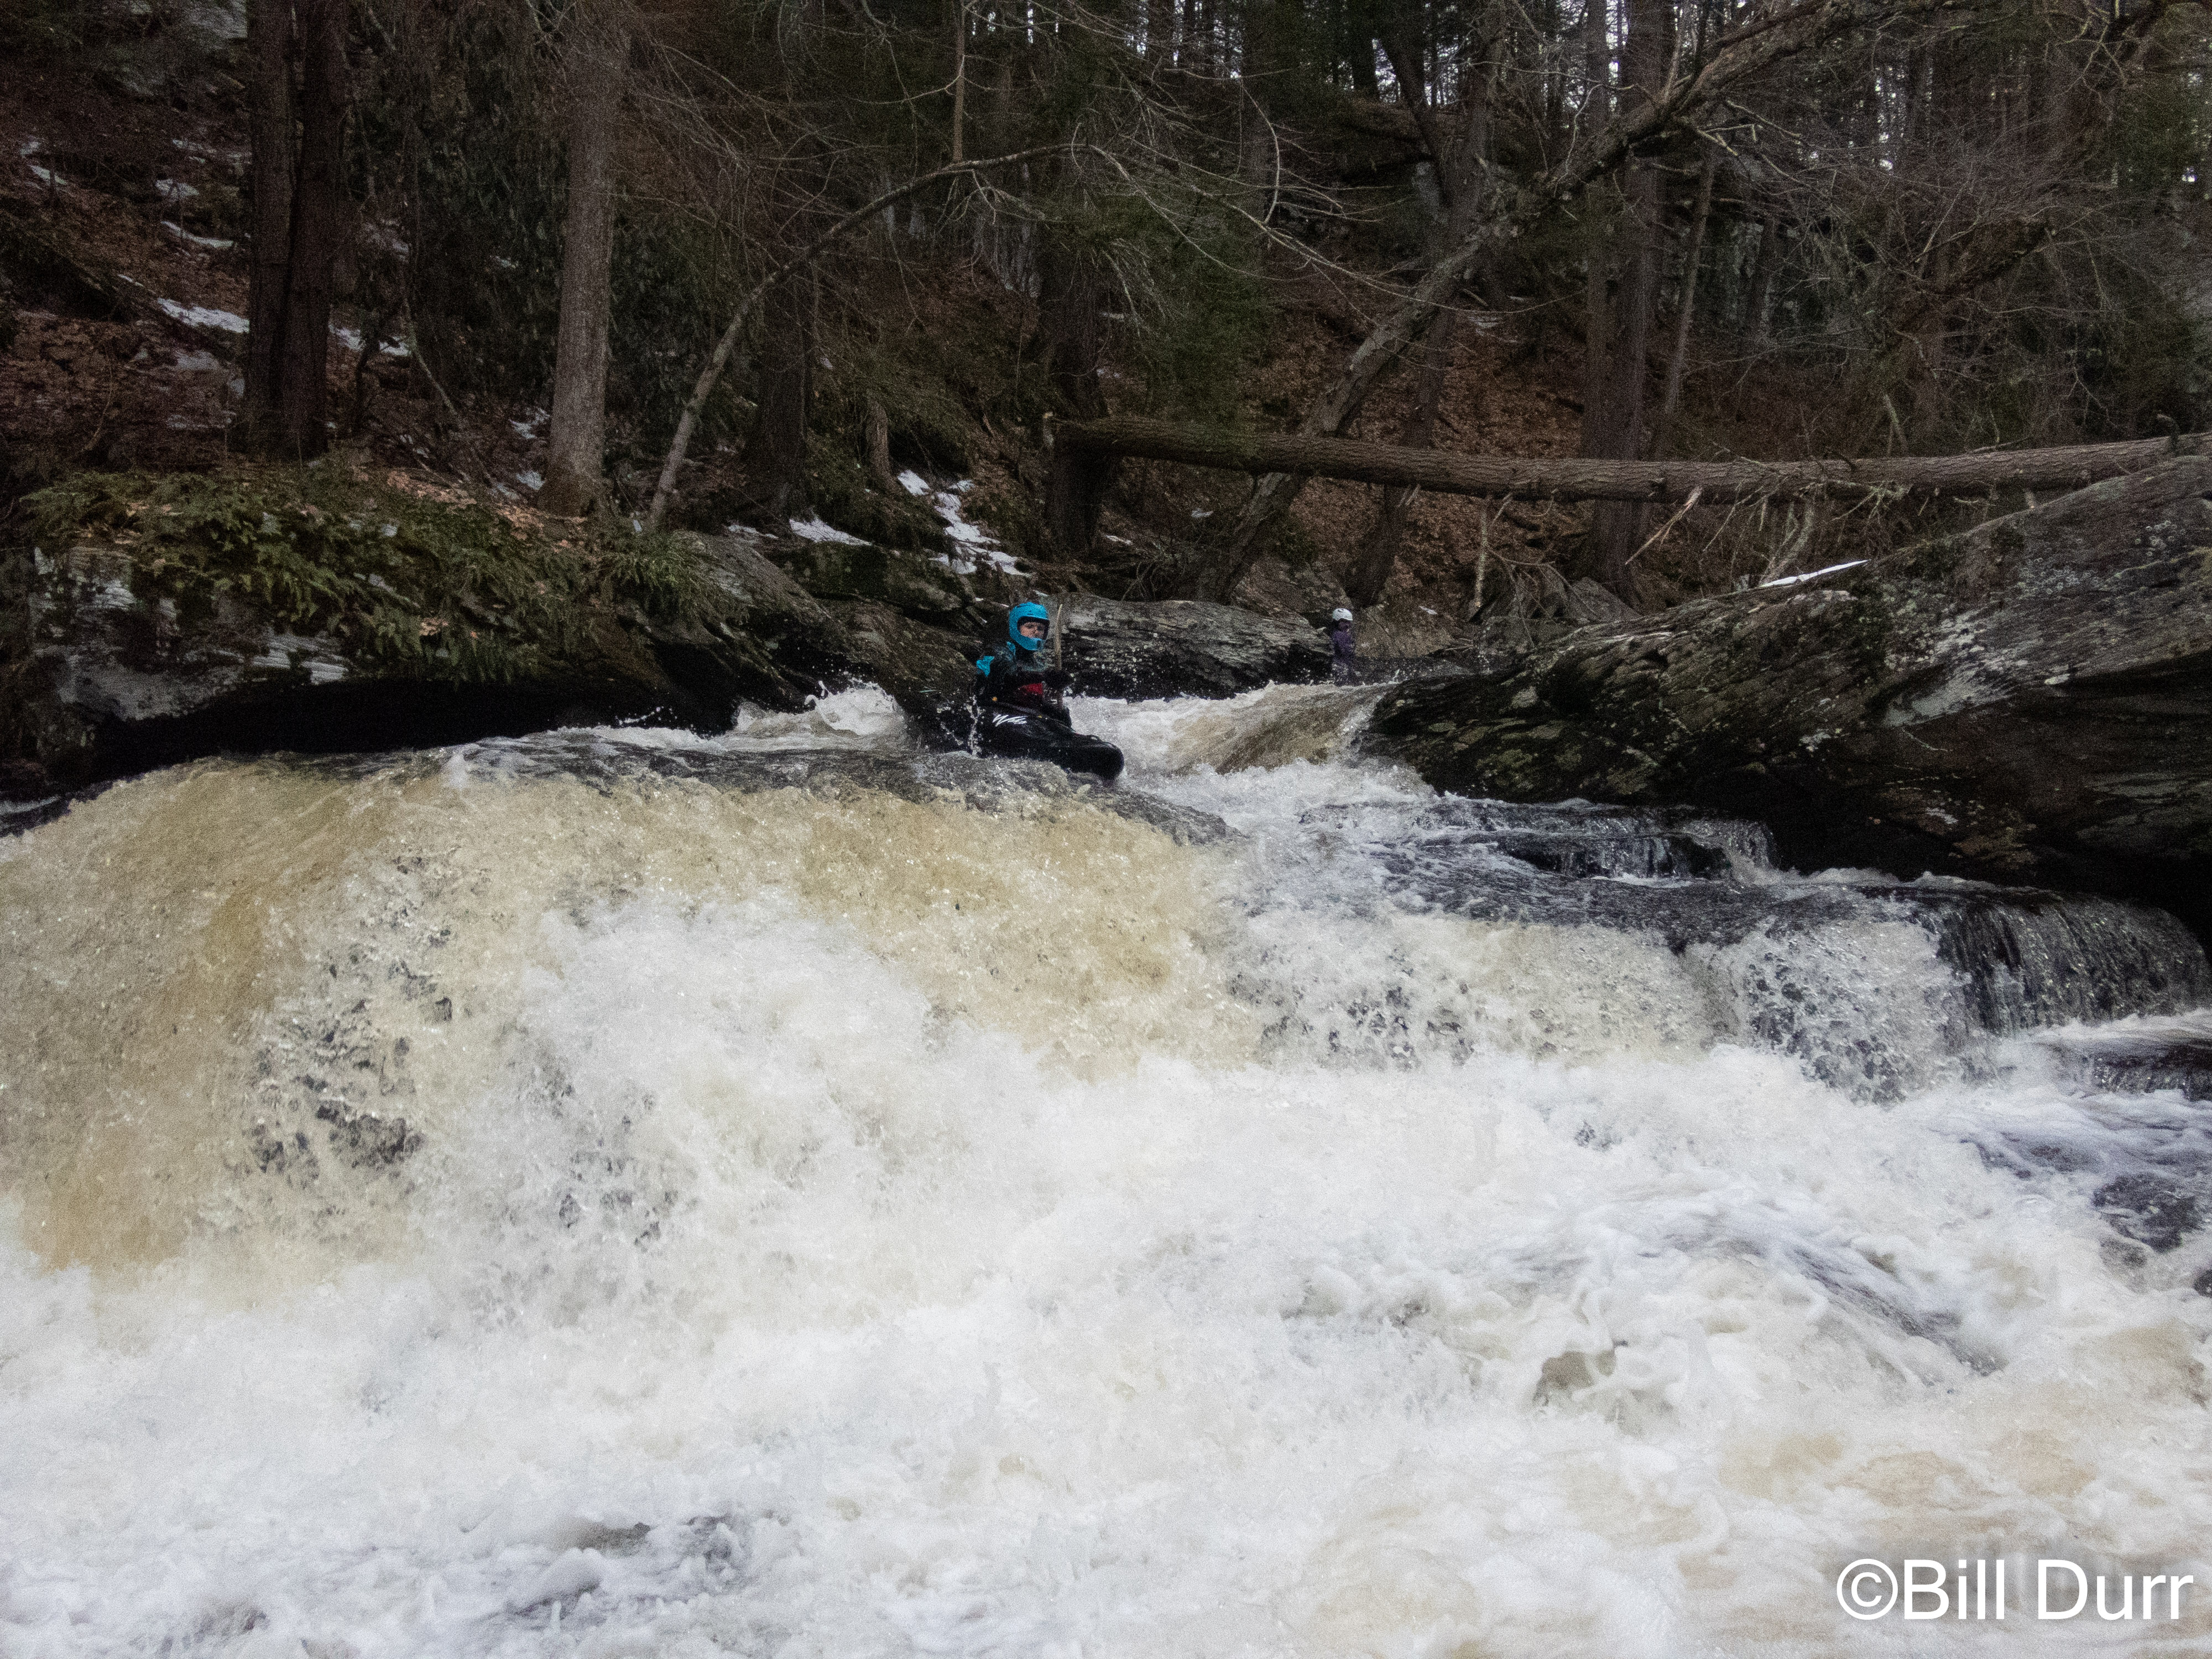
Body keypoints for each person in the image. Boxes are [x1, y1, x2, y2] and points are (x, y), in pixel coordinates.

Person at [975, 601, 1072, 718]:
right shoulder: (1000, 652)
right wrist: (1044, 676)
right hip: (991, 710)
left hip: (1021, 714)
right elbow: (1009, 678)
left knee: (1062, 718)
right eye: (1030, 626)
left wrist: (1054, 712)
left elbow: (1031, 699)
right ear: (1016, 627)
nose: (1036, 631)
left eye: (1040, 628)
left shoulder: (1037, 661)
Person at [1327, 607, 1357, 684]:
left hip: (1338, 666)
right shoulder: (1340, 635)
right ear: (1338, 622)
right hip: (1341, 667)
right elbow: (1346, 652)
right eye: (1345, 622)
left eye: (1349, 622)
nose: (1348, 625)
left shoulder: (1332, 633)